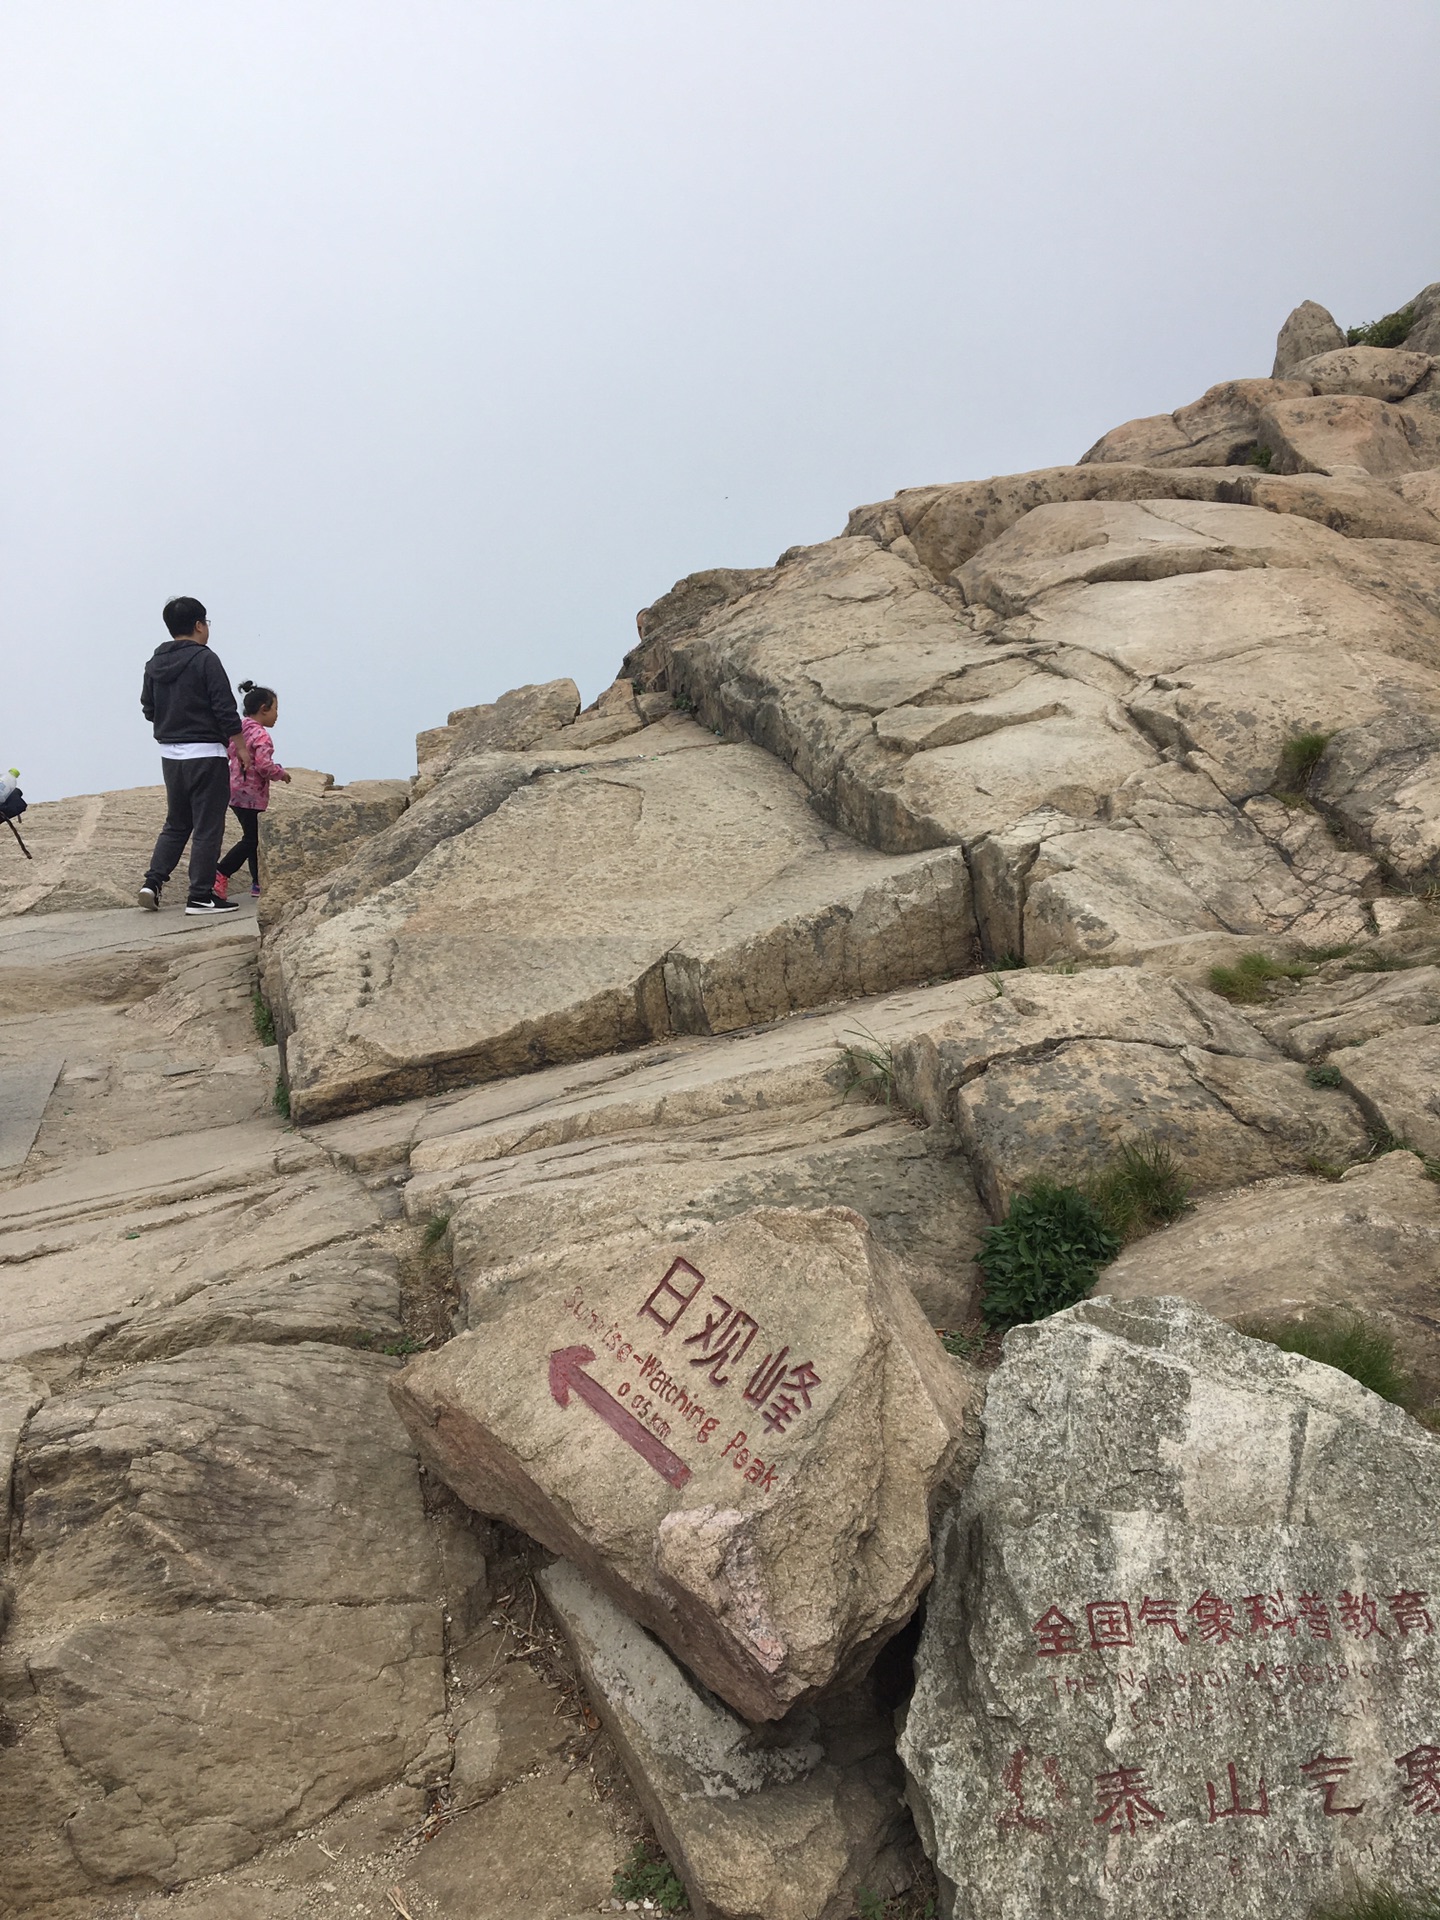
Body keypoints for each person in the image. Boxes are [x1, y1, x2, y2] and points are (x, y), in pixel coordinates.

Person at [139, 597, 250, 915]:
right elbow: (225, 707)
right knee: (207, 826)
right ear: (200, 625)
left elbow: (148, 707)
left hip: (170, 756)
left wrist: (171, 722)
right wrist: (241, 747)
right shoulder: (205, 659)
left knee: (176, 823)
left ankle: (152, 883)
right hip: (206, 754)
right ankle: (200, 896)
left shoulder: (154, 663)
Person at [215, 681, 291, 900]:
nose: (277, 715)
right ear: (263, 709)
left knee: (253, 836)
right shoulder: (261, 735)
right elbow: (264, 765)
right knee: (252, 839)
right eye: (275, 709)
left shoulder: (239, 729)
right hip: (251, 795)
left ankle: (258, 883)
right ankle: (222, 871)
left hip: (234, 790)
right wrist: (280, 773)